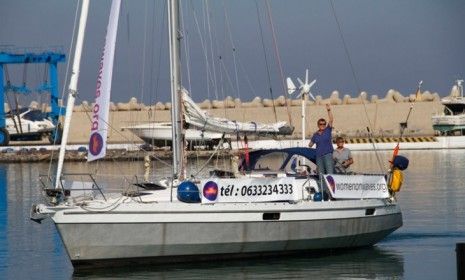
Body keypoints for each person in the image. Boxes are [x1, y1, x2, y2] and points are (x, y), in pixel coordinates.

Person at [309, 104, 334, 175]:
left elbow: (331, 119)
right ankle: (322, 185)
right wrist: (311, 140)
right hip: (318, 156)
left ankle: (331, 185)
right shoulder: (315, 134)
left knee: (329, 173)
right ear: (318, 125)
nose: (322, 125)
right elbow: (310, 145)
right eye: (320, 124)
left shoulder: (328, 130)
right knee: (320, 174)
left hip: (327, 155)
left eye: (324, 124)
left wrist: (329, 110)